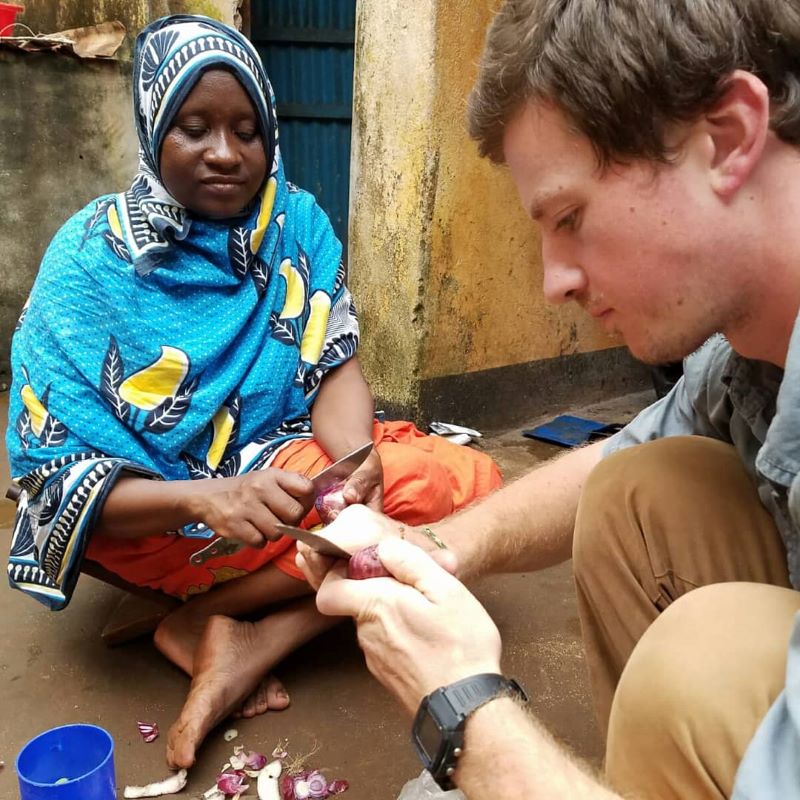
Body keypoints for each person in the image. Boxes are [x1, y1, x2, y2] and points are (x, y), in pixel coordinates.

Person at [298, 0, 800, 797]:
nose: (553, 280)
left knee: (699, 663)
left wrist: (465, 711)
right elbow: (625, 451)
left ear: (730, 137)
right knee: (645, 487)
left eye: (571, 218)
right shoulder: (751, 347)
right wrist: (436, 548)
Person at [4, 15, 502, 770]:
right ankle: (230, 617)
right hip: (152, 519)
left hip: (279, 481)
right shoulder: (86, 260)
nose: (227, 154)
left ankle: (227, 627)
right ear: (152, 130)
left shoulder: (293, 221)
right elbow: (48, 480)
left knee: (468, 489)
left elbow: (331, 364)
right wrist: (207, 499)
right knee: (406, 538)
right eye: (194, 128)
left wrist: (357, 463)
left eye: (247, 130)